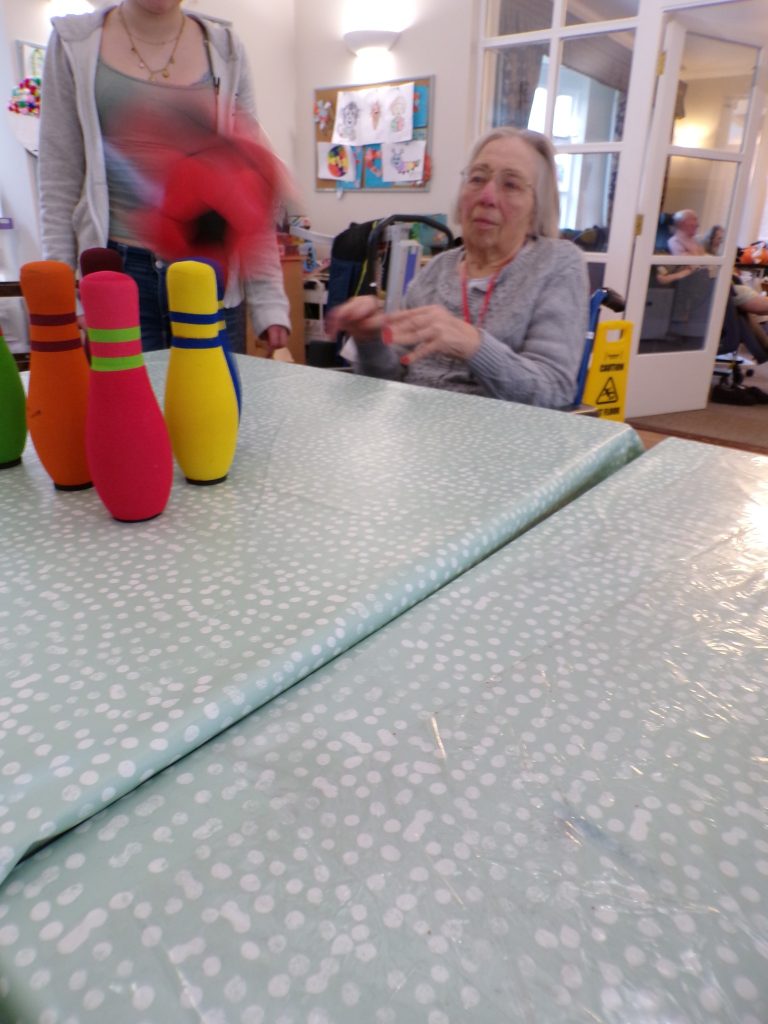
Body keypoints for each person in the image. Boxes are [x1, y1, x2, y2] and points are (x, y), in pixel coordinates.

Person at [38, 0, 290, 354]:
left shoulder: (225, 49)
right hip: (115, 276)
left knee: (213, 408)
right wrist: (65, 294)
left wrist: (269, 302)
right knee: (128, 409)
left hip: (210, 275)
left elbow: (250, 182)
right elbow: (58, 178)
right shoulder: (72, 43)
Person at [326, 127, 589, 409]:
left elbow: (555, 392)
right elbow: (389, 381)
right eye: (477, 178)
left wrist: (475, 346)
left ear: (536, 207)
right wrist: (370, 341)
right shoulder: (436, 271)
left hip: (500, 444)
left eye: (510, 185)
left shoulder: (558, 263)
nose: (487, 196)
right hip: (415, 431)